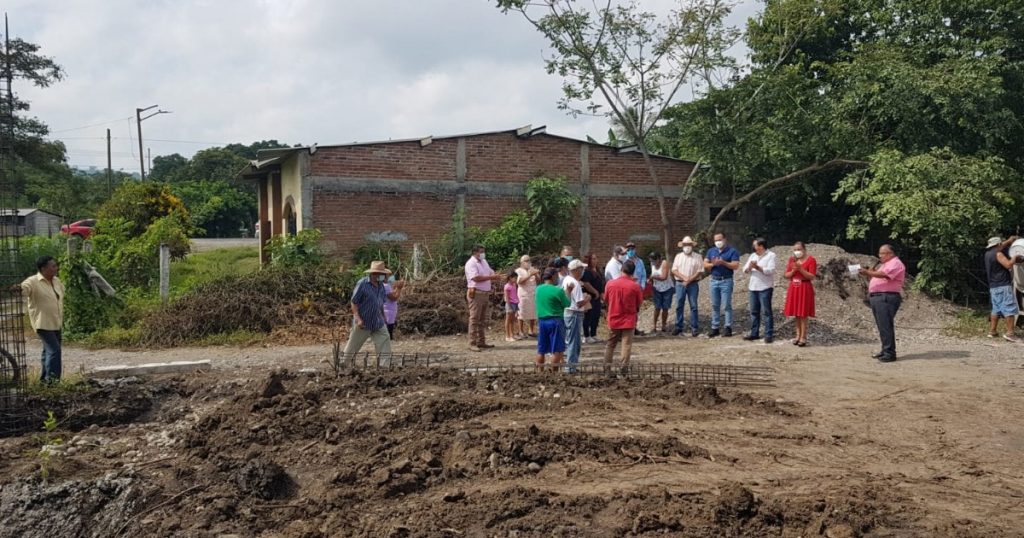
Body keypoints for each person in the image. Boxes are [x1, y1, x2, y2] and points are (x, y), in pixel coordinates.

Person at [20, 256, 65, 382]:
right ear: (43, 268)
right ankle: (53, 382)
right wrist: (18, 289)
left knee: (48, 351)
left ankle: (44, 381)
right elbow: (24, 288)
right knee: (55, 351)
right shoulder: (33, 281)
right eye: (53, 266)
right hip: (42, 323)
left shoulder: (56, 281)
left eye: (56, 266)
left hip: (56, 322)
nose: (56, 269)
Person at [859, 244, 906, 362]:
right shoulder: (885, 264)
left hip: (886, 297)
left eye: (882, 253)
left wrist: (868, 272)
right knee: (882, 325)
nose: (880, 256)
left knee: (885, 325)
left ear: (890, 253)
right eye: (879, 253)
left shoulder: (895, 263)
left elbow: (885, 275)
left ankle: (890, 353)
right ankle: (885, 350)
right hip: (878, 296)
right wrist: (871, 274)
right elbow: (878, 276)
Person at [343, 261, 394, 365]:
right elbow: (354, 302)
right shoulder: (362, 284)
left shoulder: (381, 286)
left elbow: (380, 304)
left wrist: (384, 318)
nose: (384, 276)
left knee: (385, 340)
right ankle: (343, 364)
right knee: (353, 346)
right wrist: (358, 318)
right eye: (382, 274)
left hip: (377, 321)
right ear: (375, 274)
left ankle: (385, 366)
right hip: (364, 322)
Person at [604, 259, 643, 375]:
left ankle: (607, 370)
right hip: (628, 320)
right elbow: (639, 303)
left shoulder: (610, 284)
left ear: (621, 270)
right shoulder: (635, 287)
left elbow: (606, 300)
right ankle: (623, 370)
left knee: (610, 345)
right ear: (633, 272)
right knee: (626, 346)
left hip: (613, 319)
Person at [983, 236, 1024, 342]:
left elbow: (1001, 246)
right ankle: (1010, 334)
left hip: (993, 286)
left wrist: (1010, 241)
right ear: (998, 245)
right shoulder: (998, 254)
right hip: (1003, 285)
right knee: (1009, 308)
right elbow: (1008, 265)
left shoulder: (988, 254)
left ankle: (992, 331)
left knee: (996, 309)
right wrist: (1015, 257)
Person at [465, 244, 504, 352]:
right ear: (475, 252)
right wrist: (492, 277)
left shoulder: (484, 262)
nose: (483, 254)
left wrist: (497, 275)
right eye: (481, 252)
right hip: (476, 293)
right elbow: (476, 278)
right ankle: (472, 343)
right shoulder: (471, 263)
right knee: (474, 319)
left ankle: (481, 341)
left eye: (483, 251)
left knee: (482, 319)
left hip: (485, 293)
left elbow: (490, 272)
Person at [704, 232, 741, 337]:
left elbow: (735, 265)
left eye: (719, 240)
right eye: (716, 240)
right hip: (714, 280)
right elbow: (705, 263)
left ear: (725, 239)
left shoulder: (732, 251)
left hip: (726, 281)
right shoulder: (711, 251)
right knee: (715, 305)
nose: (718, 242)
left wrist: (723, 263)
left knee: (726, 305)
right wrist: (713, 264)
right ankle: (715, 327)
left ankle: (727, 327)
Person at [535, 268, 571, 371]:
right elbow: (567, 304)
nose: (558, 278)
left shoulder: (538, 289)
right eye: (556, 276)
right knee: (557, 350)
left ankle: (539, 372)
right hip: (555, 321)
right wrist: (568, 292)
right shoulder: (558, 290)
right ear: (553, 276)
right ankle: (553, 375)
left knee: (541, 350)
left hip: (542, 321)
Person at [742, 238, 776, 343]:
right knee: (754, 312)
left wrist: (757, 267)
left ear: (761, 246)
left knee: (766, 312)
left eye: (755, 245)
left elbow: (771, 270)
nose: (753, 247)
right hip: (753, 287)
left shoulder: (771, 255)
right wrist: (749, 268)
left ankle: (768, 334)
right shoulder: (753, 256)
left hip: (765, 287)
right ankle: (754, 333)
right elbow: (744, 269)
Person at [782, 242, 816, 347]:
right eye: (795, 249)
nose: (797, 251)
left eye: (799, 249)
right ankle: (797, 335)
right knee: (796, 313)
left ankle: (803, 337)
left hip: (805, 287)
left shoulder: (811, 260)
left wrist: (801, 269)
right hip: (794, 287)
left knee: (803, 313)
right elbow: (786, 275)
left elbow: (812, 276)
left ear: (804, 249)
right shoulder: (792, 260)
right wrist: (793, 271)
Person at [561, 259, 591, 372]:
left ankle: (571, 365)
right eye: (581, 269)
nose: (583, 271)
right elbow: (579, 303)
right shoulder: (575, 283)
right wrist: (587, 298)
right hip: (574, 313)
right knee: (574, 341)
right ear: (577, 270)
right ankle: (571, 367)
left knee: (571, 340)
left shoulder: (566, 280)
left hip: (568, 312)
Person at [671, 236, 703, 337]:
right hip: (680, 283)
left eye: (689, 245)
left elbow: (700, 271)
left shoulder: (698, 256)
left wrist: (689, 279)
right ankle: (678, 326)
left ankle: (694, 328)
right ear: (682, 246)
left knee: (693, 306)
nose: (687, 247)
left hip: (693, 283)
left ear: (692, 246)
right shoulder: (678, 256)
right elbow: (674, 270)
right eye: (685, 245)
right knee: (679, 305)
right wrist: (685, 278)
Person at [580, 253, 606, 344]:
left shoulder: (598, 270)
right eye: (593, 259)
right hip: (590, 296)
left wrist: (602, 292)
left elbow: (602, 282)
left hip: (598, 297)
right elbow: (586, 283)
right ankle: (586, 336)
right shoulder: (587, 271)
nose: (594, 260)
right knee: (589, 316)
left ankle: (593, 334)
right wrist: (595, 292)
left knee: (596, 316)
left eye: (596, 258)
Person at [515, 255, 541, 338]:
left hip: (533, 293)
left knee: (533, 312)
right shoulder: (518, 271)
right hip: (523, 294)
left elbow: (539, 281)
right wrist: (529, 274)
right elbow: (519, 282)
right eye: (525, 261)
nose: (528, 262)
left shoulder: (532, 269)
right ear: (521, 262)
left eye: (528, 260)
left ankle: (531, 330)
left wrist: (536, 274)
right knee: (521, 312)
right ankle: (521, 331)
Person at [649, 252, 673, 333]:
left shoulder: (664, 263)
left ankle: (663, 325)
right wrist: (650, 279)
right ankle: (654, 326)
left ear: (659, 259)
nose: (653, 263)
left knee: (665, 308)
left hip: (667, 288)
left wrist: (653, 277)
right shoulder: (652, 264)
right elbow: (652, 274)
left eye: (654, 261)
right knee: (657, 307)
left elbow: (664, 277)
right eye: (652, 261)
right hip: (657, 288)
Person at [382, 274, 405, 340]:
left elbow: (391, 293)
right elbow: (393, 298)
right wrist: (399, 289)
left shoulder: (383, 285)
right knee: (389, 330)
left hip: (388, 309)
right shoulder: (385, 286)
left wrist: (397, 288)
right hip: (388, 310)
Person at [503, 271, 521, 342]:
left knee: (512, 320)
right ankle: (507, 336)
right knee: (508, 320)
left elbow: (515, 294)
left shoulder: (514, 285)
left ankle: (512, 335)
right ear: (510, 278)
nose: (516, 279)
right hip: (510, 304)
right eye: (515, 278)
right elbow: (507, 298)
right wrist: (509, 307)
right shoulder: (507, 286)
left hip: (515, 303)